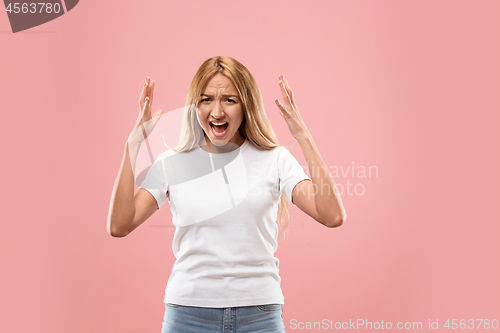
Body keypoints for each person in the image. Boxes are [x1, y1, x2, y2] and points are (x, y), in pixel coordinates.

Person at [107, 56, 347, 333]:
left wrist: (303, 136)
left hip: (260, 315)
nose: (217, 112)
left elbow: (332, 215)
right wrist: (133, 143)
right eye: (206, 99)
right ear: (194, 105)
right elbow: (119, 225)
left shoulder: (275, 160)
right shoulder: (171, 163)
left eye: (229, 100)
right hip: (188, 314)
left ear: (247, 105)